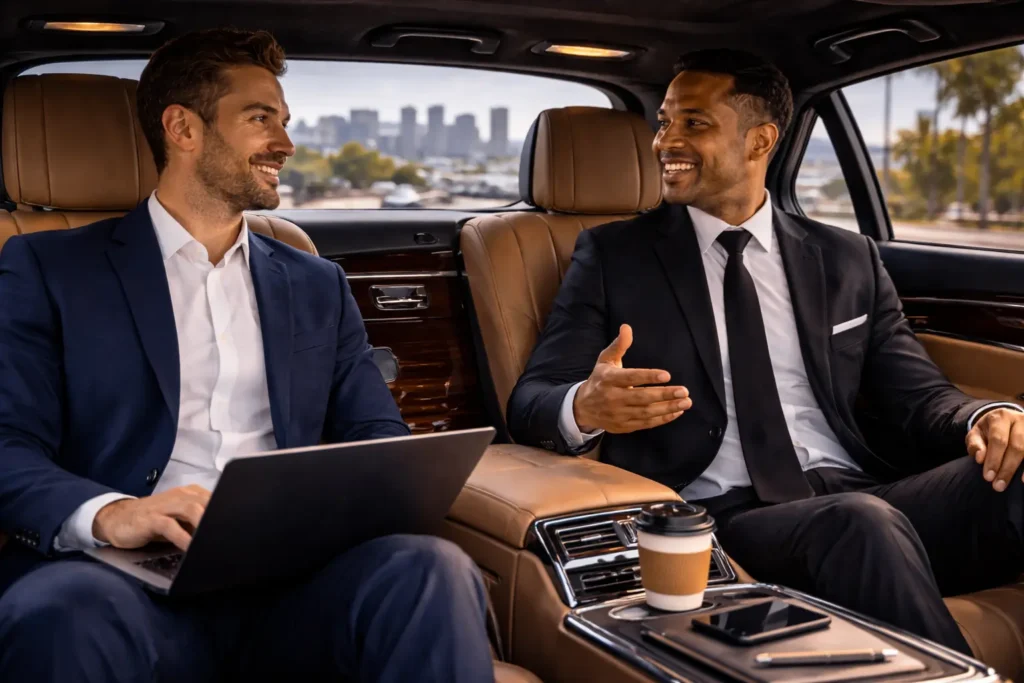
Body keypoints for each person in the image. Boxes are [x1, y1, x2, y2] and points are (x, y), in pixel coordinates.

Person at [0, 28, 493, 682]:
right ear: (182, 128)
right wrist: (111, 513)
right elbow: (7, 442)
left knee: (432, 567)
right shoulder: (47, 266)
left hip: (291, 585)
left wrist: (326, 507)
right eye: (261, 119)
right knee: (61, 608)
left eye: (286, 121)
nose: (286, 144)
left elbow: (376, 432)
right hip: (121, 583)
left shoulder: (317, 282)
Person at [507, 48, 1024, 655]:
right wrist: (584, 407)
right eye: (665, 121)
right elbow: (531, 401)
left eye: (694, 123)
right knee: (859, 524)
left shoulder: (846, 257)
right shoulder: (613, 257)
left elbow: (918, 395)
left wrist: (982, 417)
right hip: (724, 518)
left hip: (861, 491)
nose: (666, 139)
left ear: (760, 142)